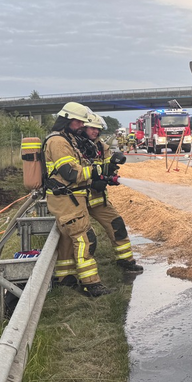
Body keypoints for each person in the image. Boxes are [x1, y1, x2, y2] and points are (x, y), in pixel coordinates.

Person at [44, 102, 113, 297]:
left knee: (68, 239)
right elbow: (69, 173)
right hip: (66, 197)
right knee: (85, 238)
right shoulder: (58, 142)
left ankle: (65, 278)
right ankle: (91, 284)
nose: (82, 126)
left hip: (71, 197)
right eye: (79, 122)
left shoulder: (68, 139)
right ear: (68, 120)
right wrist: (97, 170)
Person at [81, 113, 144, 273]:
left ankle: (126, 261)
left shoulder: (101, 146)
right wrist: (93, 181)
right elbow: (71, 172)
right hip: (77, 199)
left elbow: (107, 165)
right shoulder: (75, 146)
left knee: (117, 225)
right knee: (84, 238)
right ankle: (74, 275)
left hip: (97, 198)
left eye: (98, 129)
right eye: (92, 128)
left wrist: (112, 172)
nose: (95, 132)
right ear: (83, 127)